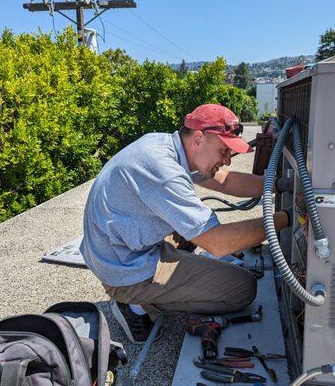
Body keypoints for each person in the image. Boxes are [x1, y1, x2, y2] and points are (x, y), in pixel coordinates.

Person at [80, 104, 289, 344]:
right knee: (244, 288)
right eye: (224, 151)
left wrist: (279, 185)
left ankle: (153, 289)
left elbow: (226, 181)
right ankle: (134, 304)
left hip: (116, 246)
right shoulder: (163, 170)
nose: (228, 160)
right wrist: (288, 217)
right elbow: (218, 243)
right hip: (124, 267)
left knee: (192, 224)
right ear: (200, 138)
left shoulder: (169, 145)